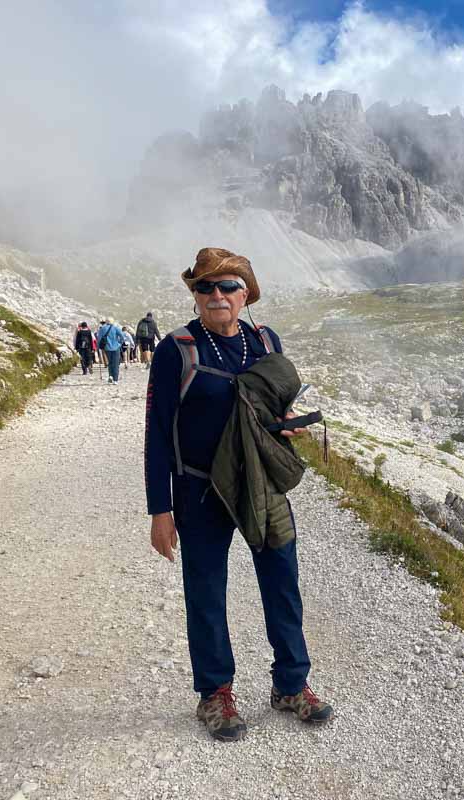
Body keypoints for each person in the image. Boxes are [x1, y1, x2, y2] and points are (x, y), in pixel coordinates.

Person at [145, 247, 333, 743]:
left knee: (282, 582)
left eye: (227, 286)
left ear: (246, 292)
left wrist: (286, 426)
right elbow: (157, 434)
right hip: (198, 491)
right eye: (205, 287)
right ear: (195, 294)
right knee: (206, 593)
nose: (216, 296)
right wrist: (160, 510)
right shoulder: (176, 350)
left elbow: (274, 407)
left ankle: (291, 685)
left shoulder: (265, 341)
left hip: (259, 483)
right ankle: (215, 694)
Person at [96, 317, 124, 384]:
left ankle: (110, 376)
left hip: (107, 348)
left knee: (110, 363)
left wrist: (98, 347)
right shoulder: (115, 328)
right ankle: (115, 379)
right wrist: (119, 343)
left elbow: (99, 339)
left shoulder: (102, 329)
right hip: (116, 347)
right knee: (116, 363)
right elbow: (122, 336)